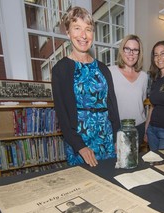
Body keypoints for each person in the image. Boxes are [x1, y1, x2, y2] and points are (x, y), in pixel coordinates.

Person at [52, 6, 120, 167]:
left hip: (107, 138)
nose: (83, 35)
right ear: (68, 32)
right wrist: (80, 147)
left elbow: (113, 106)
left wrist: (118, 138)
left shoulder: (103, 68)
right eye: (77, 28)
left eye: (88, 29)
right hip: (80, 142)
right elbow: (62, 116)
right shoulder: (60, 70)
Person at [109, 35, 148, 146]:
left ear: (139, 54)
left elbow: (141, 101)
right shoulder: (110, 72)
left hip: (138, 128)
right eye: (127, 49)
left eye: (135, 50)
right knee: (117, 162)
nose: (131, 53)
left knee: (134, 162)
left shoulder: (144, 76)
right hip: (117, 128)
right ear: (122, 51)